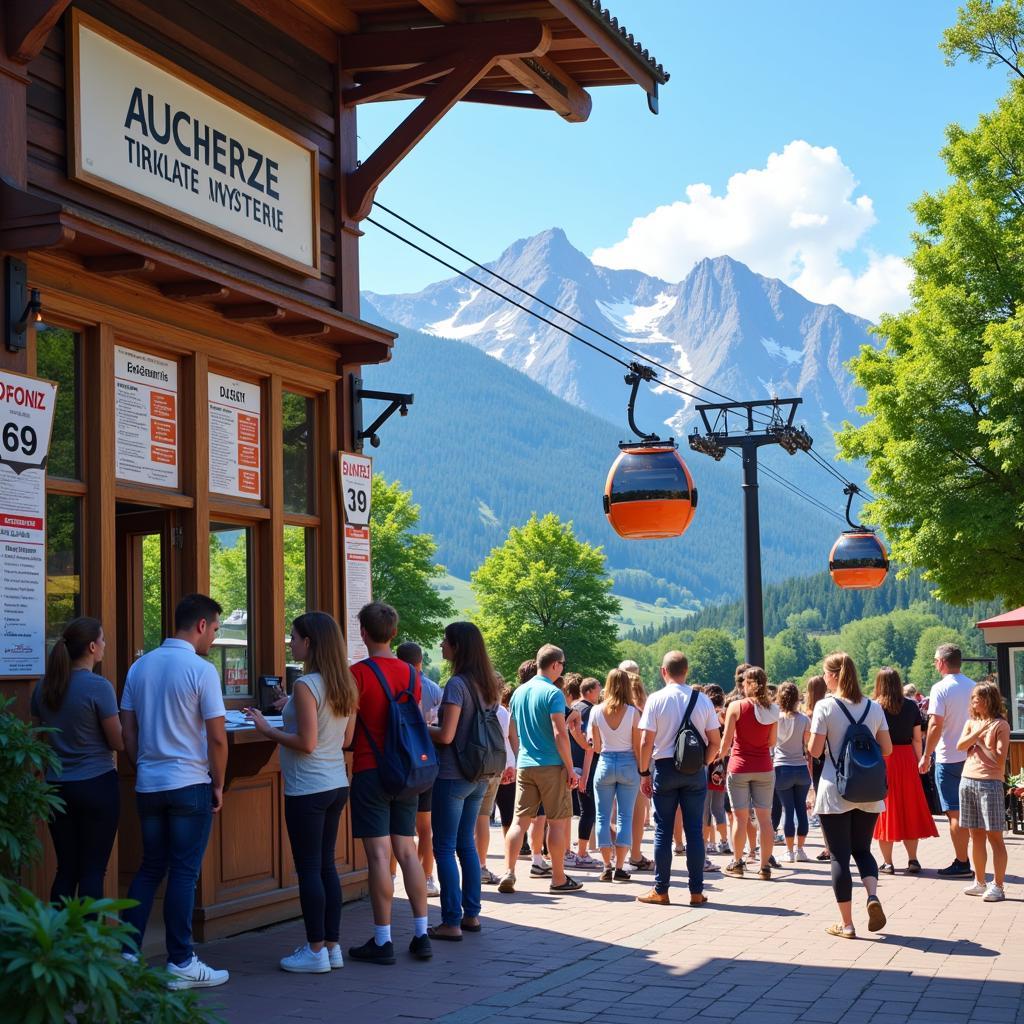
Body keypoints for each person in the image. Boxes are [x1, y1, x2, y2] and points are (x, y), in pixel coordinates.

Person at [120, 594, 229, 989]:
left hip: (149, 783)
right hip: (189, 783)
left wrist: (141, 765)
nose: (215, 638)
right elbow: (218, 739)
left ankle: (127, 954)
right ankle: (181, 960)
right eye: (215, 629)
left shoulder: (139, 667)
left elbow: (127, 731)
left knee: (150, 868)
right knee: (184, 873)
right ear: (201, 625)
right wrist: (217, 783)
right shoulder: (201, 671)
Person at [245, 613, 357, 972]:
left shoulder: (306, 684)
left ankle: (313, 951)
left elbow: (306, 742)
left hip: (307, 787)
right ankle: (332, 947)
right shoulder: (344, 683)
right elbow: (346, 739)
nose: (290, 642)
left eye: (294, 636)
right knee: (326, 867)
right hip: (335, 783)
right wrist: (288, 707)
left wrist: (266, 728)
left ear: (310, 643)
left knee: (309, 868)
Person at [348, 602, 432, 965]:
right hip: (407, 773)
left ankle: (382, 940)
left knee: (379, 855)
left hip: (370, 770)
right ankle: (421, 933)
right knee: (408, 850)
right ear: (394, 633)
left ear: (363, 633)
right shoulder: (412, 676)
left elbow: (349, 735)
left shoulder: (357, 675)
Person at [31, 617, 122, 903]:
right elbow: (117, 741)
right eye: (103, 640)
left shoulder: (43, 687)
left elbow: (38, 740)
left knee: (66, 869)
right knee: (93, 871)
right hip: (97, 785)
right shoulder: (99, 687)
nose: (105, 645)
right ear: (92, 646)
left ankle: (60, 944)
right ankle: (88, 945)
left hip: (57, 788)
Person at [808, 651, 893, 939]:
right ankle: (872, 896)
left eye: (824, 673)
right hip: (868, 789)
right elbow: (888, 749)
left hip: (835, 788)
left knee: (839, 857)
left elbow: (816, 751)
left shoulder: (825, 706)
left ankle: (846, 925)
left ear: (833, 676)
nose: (823, 678)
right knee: (863, 850)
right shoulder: (874, 707)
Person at [426, 621, 503, 939]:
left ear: (458, 647)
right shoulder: (488, 684)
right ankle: (471, 914)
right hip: (480, 773)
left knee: (443, 847)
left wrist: (418, 725)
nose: (441, 645)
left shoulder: (457, 684)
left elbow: (446, 735)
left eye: (445, 641)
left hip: (452, 773)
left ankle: (451, 921)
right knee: (465, 845)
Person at [636, 651, 721, 906]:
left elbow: (645, 741)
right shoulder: (703, 700)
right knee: (694, 831)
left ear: (664, 671)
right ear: (687, 671)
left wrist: (644, 772)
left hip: (664, 768)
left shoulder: (656, 699)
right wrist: (703, 763)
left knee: (663, 829)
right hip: (694, 770)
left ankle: (661, 890)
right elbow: (715, 741)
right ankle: (696, 892)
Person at [498, 644, 582, 894]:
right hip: (552, 765)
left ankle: (509, 872)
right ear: (555, 665)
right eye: (563, 664)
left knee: (518, 823)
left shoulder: (519, 692)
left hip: (526, 764)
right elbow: (560, 733)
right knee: (556, 823)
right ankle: (558, 879)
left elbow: (512, 731)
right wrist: (570, 768)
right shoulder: (553, 693)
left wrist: (518, 755)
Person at [872, 667, 937, 875]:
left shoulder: (874, 707)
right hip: (907, 758)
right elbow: (917, 738)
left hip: (884, 759)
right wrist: (921, 761)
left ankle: (888, 862)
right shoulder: (911, 706)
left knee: (885, 808)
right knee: (909, 807)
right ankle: (913, 859)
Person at [920, 643, 976, 877]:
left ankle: (962, 861)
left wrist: (926, 755)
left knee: (955, 812)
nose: (935, 664)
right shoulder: (974, 687)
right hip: (973, 756)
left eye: (935, 660)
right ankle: (977, 861)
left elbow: (935, 724)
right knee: (973, 813)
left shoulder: (940, 689)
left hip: (948, 757)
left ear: (942, 662)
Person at [721, 667, 778, 879]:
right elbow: (772, 742)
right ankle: (764, 866)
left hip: (739, 766)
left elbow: (727, 741)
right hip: (764, 766)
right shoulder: (772, 710)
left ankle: (737, 862)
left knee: (739, 817)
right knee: (765, 819)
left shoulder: (736, 706)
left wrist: (718, 756)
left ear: (747, 684)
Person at [957, 682, 1011, 902]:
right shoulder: (972, 722)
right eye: (972, 698)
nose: (974, 702)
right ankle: (980, 882)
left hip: (990, 783)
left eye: (978, 698)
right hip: (967, 780)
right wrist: (977, 733)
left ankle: (998, 886)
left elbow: (999, 760)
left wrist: (979, 739)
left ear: (989, 699)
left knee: (994, 836)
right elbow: (960, 746)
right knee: (975, 835)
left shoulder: (1001, 725)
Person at [397, 641, 442, 898]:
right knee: (425, 827)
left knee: (398, 827)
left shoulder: (395, 685)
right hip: (427, 762)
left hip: (400, 762)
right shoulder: (434, 689)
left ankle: (394, 874)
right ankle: (427, 877)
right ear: (420, 662)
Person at [588, 669, 641, 880]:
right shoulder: (633, 712)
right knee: (625, 816)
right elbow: (637, 747)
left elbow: (597, 747)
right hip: (629, 763)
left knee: (602, 815)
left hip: (605, 763)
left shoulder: (596, 711)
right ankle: (620, 866)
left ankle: (606, 865)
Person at [477, 675, 516, 884]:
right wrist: (513, 765)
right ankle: (482, 866)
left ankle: (474, 866)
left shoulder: (475, 709)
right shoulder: (503, 712)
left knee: (475, 818)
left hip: (474, 768)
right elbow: (510, 741)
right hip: (499, 767)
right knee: (485, 817)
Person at [773, 681, 812, 862]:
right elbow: (807, 745)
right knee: (801, 809)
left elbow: (771, 743)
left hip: (781, 766)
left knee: (788, 810)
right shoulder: (804, 719)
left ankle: (789, 851)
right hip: (801, 767)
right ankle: (801, 850)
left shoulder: (776, 718)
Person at [567, 677, 600, 868]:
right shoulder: (589, 710)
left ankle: (563, 851)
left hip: (569, 762)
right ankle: (581, 852)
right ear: (589, 691)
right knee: (589, 811)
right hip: (584, 764)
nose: (600, 692)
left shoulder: (573, 707)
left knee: (565, 813)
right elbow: (589, 742)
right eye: (597, 689)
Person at [627, 672, 654, 871]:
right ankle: (635, 854)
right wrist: (644, 770)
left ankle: (613, 855)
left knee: (615, 813)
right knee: (638, 812)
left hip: (611, 763)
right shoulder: (641, 711)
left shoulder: (608, 708)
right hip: (636, 764)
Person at [805, 675, 831, 860]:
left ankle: (828, 845)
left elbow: (809, 746)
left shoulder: (808, 714)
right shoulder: (830, 708)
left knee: (822, 805)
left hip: (815, 760)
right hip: (831, 759)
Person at [702, 685, 730, 856]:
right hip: (721, 763)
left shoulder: (706, 714)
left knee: (705, 808)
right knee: (719, 807)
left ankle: (706, 844)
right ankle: (724, 841)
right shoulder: (725, 715)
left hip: (706, 761)